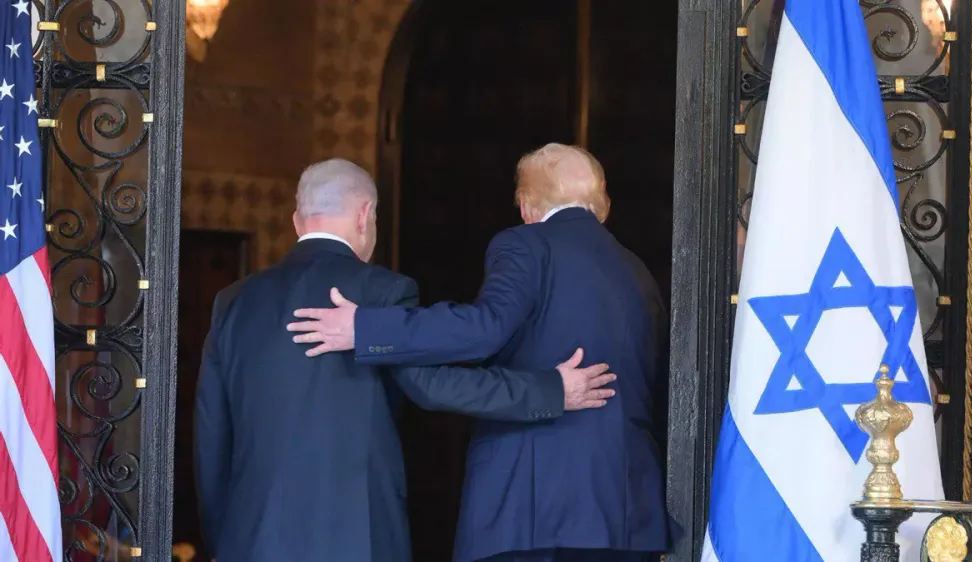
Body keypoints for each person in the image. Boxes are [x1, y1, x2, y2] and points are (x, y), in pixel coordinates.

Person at [194, 158, 618, 562]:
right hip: (358, 536)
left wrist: (220, 537)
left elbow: (212, 430)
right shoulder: (382, 291)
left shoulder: (233, 302)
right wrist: (551, 390)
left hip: (250, 540)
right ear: (365, 215)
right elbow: (434, 386)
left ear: (296, 221)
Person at [287, 144, 670, 562]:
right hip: (631, 516)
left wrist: (367, 328)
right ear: (602, 204)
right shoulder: (639, 272)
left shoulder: (527, 245)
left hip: (536, 512)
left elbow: (484, 329)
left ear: (526, 205)